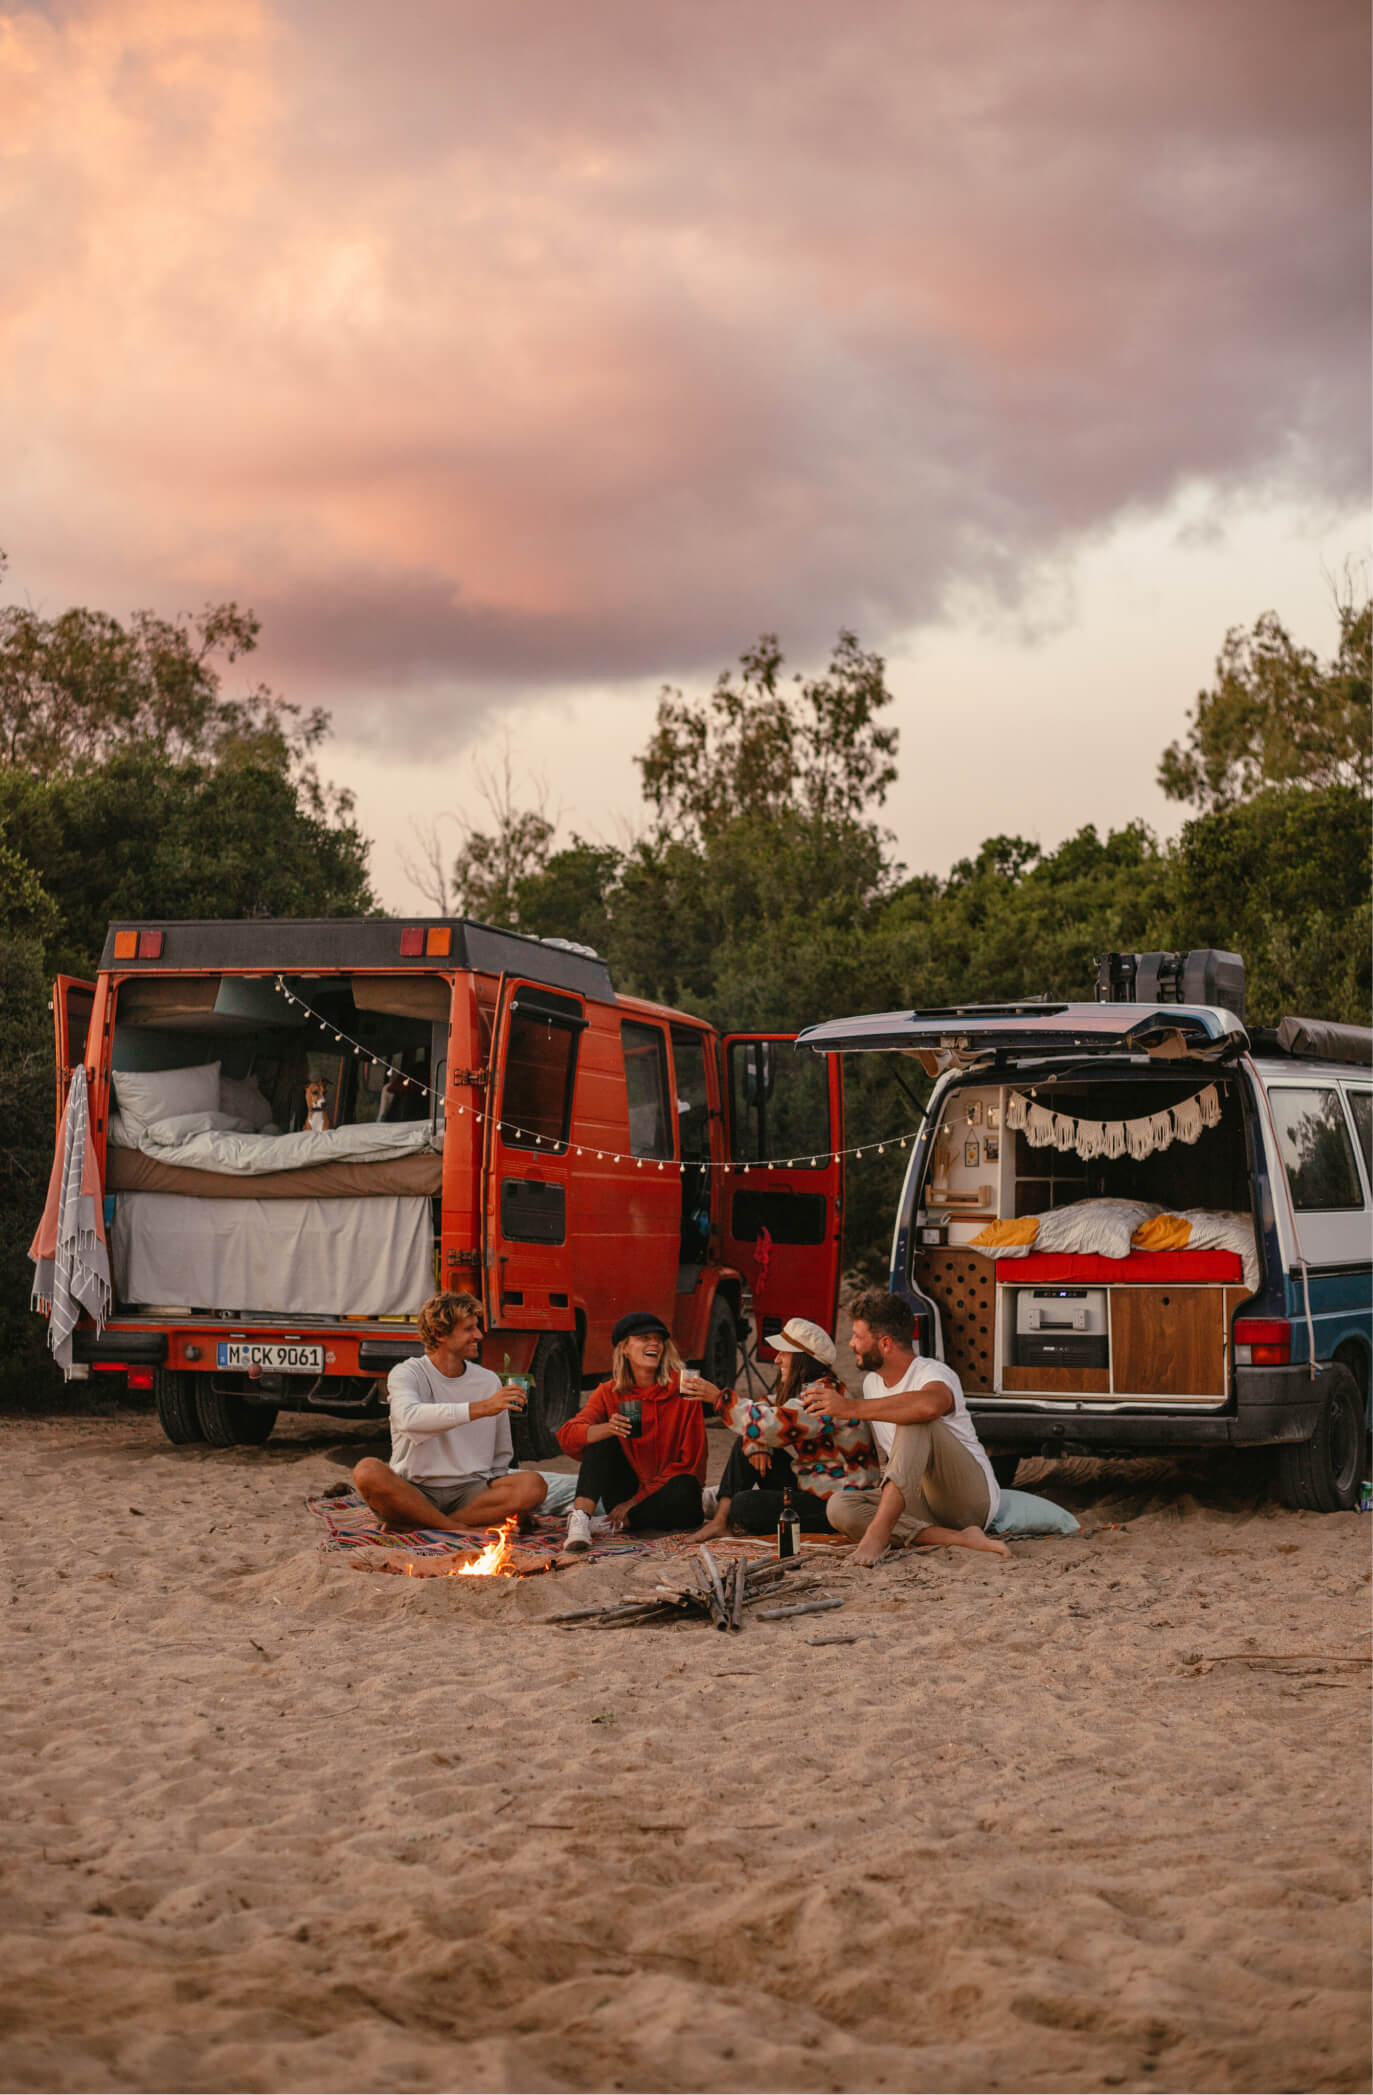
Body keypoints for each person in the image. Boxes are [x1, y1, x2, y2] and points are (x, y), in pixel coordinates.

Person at [805, 1287, 1009, 1566]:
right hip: (918, 1499)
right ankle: (959, 1539)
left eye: (858, 1337)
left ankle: (877, 1537)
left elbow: (930, 1406)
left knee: (915, 1420)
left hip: (966, 1498)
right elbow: (892, 1458)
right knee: (841, 1507)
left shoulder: (933, 1372)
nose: (851, 1344)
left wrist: (849, 1408)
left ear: (885, 1344)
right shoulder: (871, 1384)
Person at [352, 1291, 546, 1532]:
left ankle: (419, 1523)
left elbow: (501, 1455)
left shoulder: (488, 1381)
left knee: (534, 1485)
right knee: (367, 1471)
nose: (479, 1335)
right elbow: (409, 1419)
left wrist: (511, 1501)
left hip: (471, 1494)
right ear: (439, 1334)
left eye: (477, 1327)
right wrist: (481, 1408)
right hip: (415, 1491)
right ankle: (460, 1529)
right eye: (469, 1329)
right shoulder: (407, 1373)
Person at [685, 1315, 881, 1541]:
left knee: (745, 1504)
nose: (776, 1360)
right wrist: (757, 1442)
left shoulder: (825, 1395)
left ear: (802, 1360)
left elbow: (772, 1424)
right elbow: (766, 1408)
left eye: (783, 1353)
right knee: (746, 1442)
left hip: (835, 1503)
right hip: (808, 1486)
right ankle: (720, 1521)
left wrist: (718, 1398)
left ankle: (730, 1516)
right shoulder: (809, 1388)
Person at [556, 1311, 708, 1550]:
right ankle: (581, 1520)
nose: (654, 1344)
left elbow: (692, 1462)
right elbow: (567, 1435)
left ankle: (616, 1523)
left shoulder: (685, 1389)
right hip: (623, 1489)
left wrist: (634, 1502)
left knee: (687, 1491)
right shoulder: (609, 1392)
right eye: (644, 1338)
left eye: (658, 1339)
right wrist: (606, 1428)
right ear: (624, 1348)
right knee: (601, 1436)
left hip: (664, 1493)